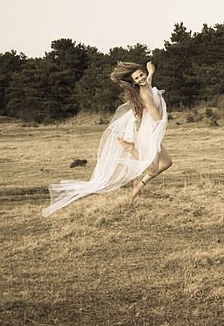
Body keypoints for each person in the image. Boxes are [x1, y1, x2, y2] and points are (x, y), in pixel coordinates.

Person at [42, 61, 172, 216]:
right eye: (137, 78)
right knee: (152, 168)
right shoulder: (144, 94)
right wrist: (163, 124)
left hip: (150, 131)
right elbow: (156, 117)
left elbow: (148, 83)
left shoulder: (146, 86)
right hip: (149, 133)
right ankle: (132, 155)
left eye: (141, 75)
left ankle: (138, 183)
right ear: (133, 82)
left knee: (167, 163)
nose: (140, 79)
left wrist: (151, 72)